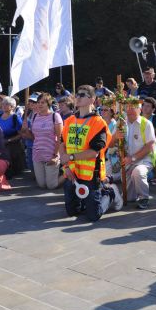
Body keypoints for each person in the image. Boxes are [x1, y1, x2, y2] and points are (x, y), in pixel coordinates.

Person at [60, 85, 120, 221]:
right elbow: (62, 144)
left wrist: (69, 157)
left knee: (93, 216)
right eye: (77, 95)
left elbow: (94, 153)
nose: (78, 97)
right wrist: (67, 166)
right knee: (72, 212)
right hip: (71, 172)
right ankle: (84, 202)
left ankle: (110, 193)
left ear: (92, 99)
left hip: (91, 175)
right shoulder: (69, 120)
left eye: (82, 95)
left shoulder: (99, 123)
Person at [113, 99, 156, 209]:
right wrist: (115, 137)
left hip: (145, 159)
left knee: (138, 172)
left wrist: (132, 158)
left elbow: (149, 146)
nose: (130, 110)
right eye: (128, 107)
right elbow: (109, 144)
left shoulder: (146, 123)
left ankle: (144, 198)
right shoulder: (121, 123)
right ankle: (132, 195)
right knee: (128, 198)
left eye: (133, 107)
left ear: (140, 109)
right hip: (128, 161)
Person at [29, 93, 63, 189]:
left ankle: (67, 173)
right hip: (37, 153)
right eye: (38, 102)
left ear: (48, 103)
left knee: (51, 186)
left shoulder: (55, 116)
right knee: (42, 185)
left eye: (42, 102)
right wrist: (25, 130)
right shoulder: (35, 116)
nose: (39, 104)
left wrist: (55, 155)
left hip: (51, 153)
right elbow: (33, 136)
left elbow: (60, 137)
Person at [0, 96, 25, 178]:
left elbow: (21, 134)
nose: (3, 105)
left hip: (12, 146)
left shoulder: (15, 118)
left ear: (12, 107)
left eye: (6, 104)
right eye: (3, 103)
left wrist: (9, 140)